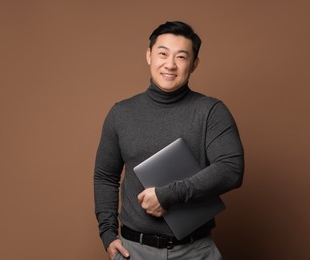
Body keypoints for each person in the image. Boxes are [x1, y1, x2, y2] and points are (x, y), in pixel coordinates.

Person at [94, 21, 244, 260]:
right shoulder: (121, 113)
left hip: (195, 251)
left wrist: (168, 195)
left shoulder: (211, 111)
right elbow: (105, 176)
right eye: (163, 53)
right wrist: (108, 233)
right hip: (133, 251)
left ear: (194, 64)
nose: (170, 65)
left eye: (181, 57)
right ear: (149, 55)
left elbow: (231, 170)